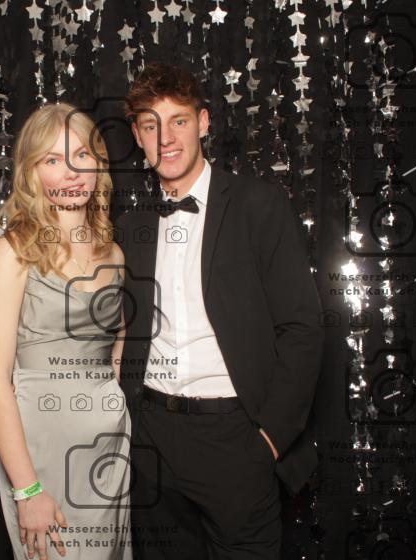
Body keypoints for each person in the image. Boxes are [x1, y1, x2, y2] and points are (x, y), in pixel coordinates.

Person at [114, 62, 325, 559]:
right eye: (151, 126)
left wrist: (269, 439)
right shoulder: (130, 226)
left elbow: (302, 327)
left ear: (204, 122)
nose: (166, 138)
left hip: (235, 439)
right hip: (151, 439)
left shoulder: (258, 205)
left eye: (179, 121)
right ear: (138, 137)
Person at [0, 102, 133, 560]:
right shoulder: (14, 251)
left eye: (82, 155)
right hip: (39, 451)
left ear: (98, 164)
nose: (71, 171)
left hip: (108, 451)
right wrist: (27, 488)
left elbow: (116, 345)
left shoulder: (114, 255)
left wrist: (109, 403)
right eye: (53, 159)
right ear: (32, 172)